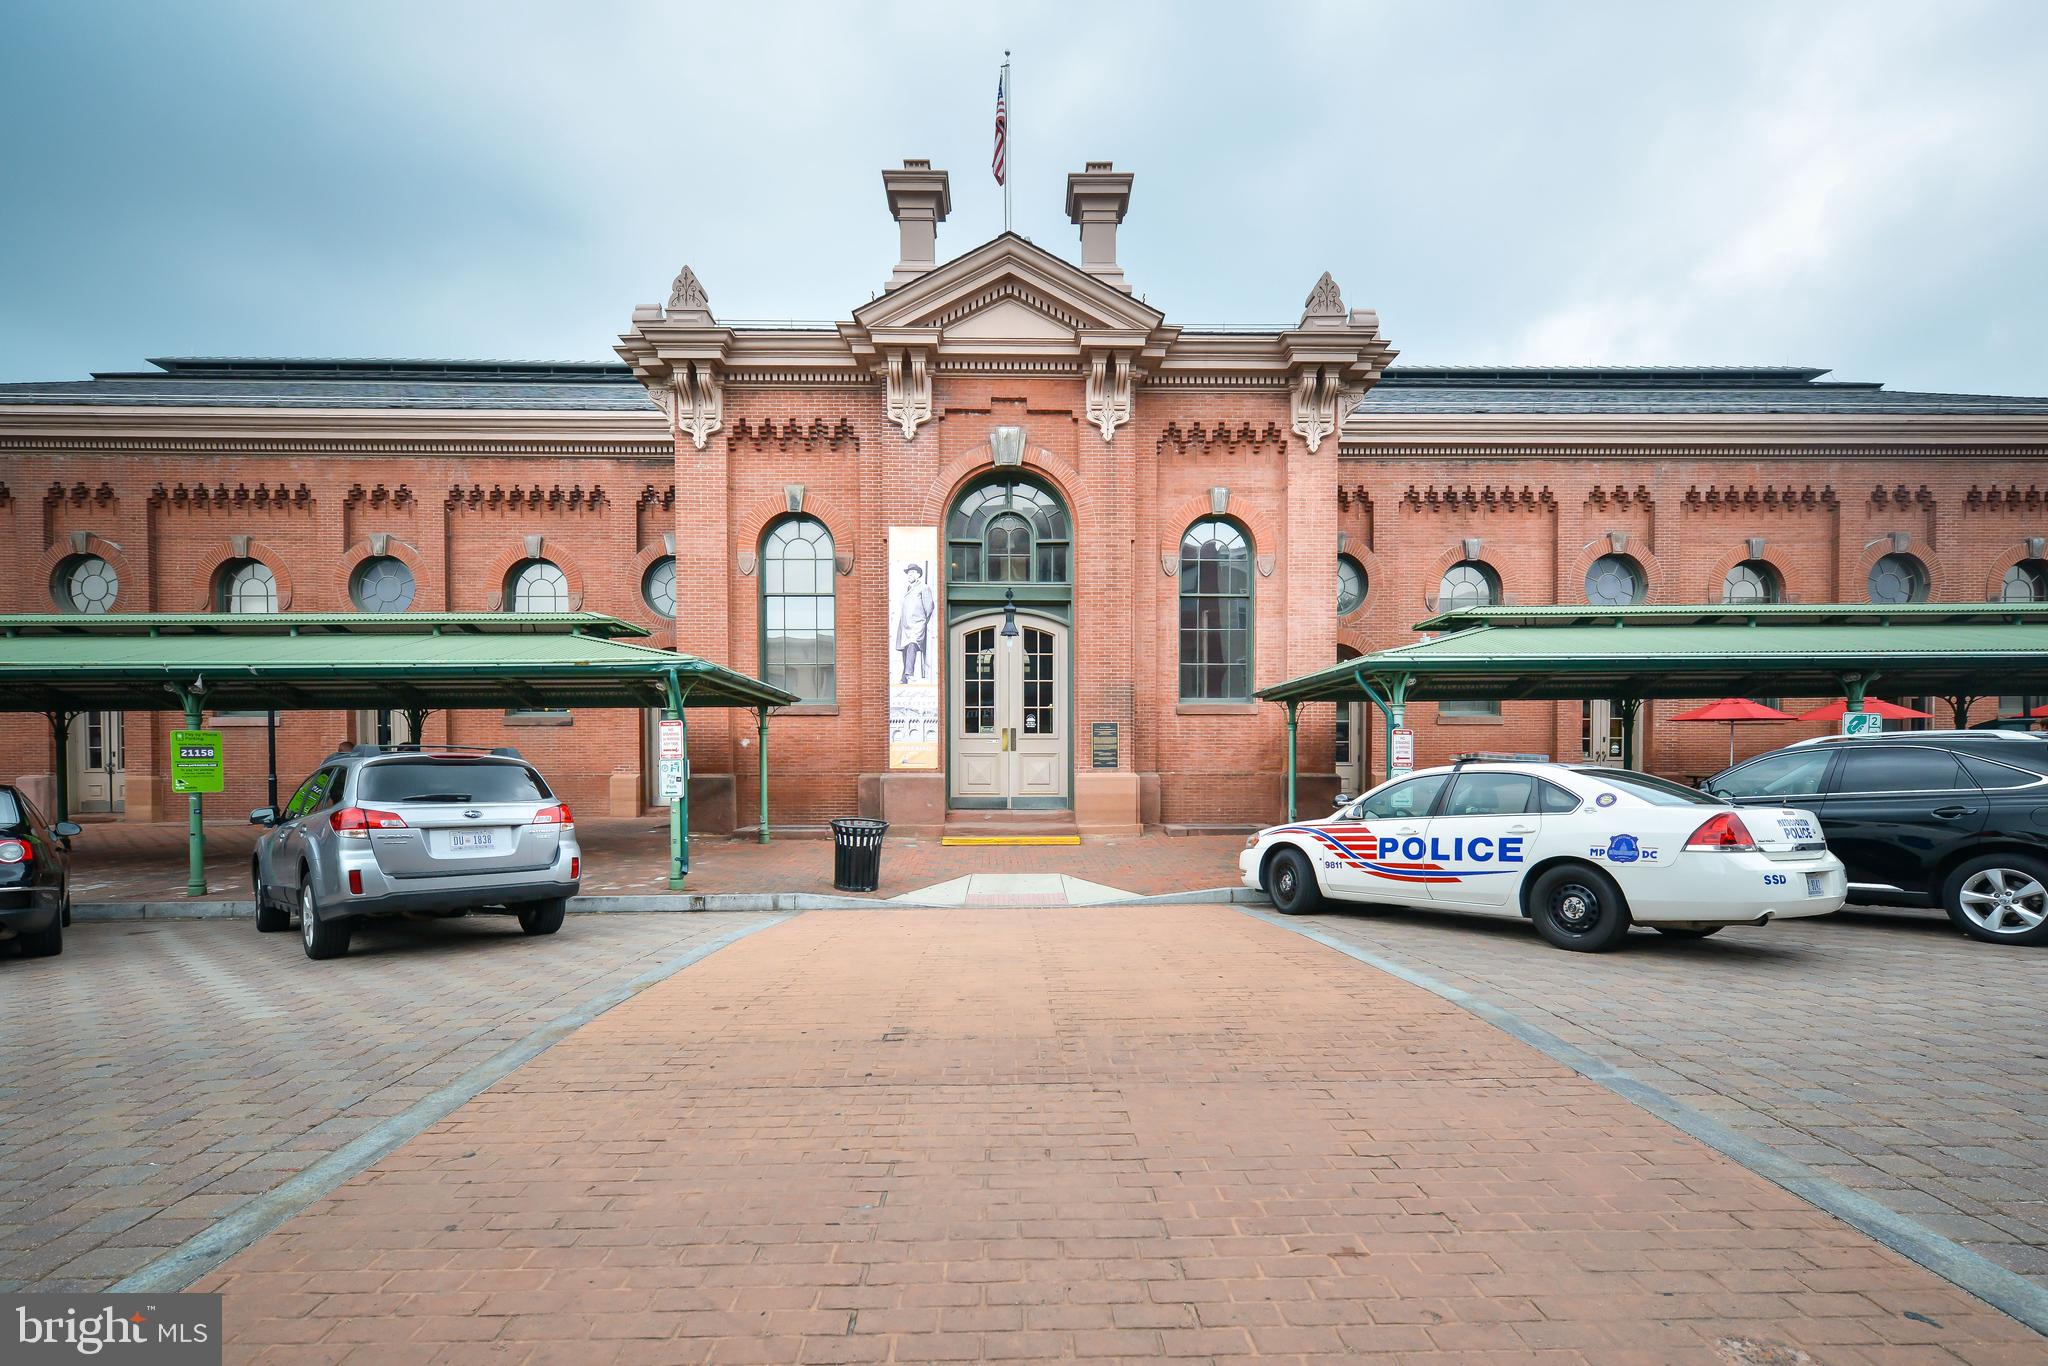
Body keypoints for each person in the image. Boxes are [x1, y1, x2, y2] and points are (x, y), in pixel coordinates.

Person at [896, 562, 935, 684]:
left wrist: (922, 620)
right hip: (904, 624)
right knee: (904, 648)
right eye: (909, 573)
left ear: (918, 574)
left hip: (917, 624)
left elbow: (929, 607)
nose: (910, 575)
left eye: (912, 572)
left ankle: (909, 674)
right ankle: (904, 677)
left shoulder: (924, 587)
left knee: (912, 644)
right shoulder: (907, 588)